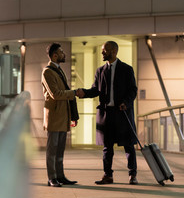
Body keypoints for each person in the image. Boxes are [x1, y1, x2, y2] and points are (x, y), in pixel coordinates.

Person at [76, 41, 138, 185]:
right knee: (107, 147)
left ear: (114, 51)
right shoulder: (100, 70)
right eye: (102, 50)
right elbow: (95, 90)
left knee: (128, 145)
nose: (102, 53)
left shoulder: (127, 69)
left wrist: (126, 103)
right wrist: (83, 93)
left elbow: (133, 90)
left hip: (122, 113)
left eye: (105, 50)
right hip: (106, 114)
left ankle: (132, 175)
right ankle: (107, 175)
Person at [41, 43, 79, 187]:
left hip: (63, 115)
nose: (64, 54)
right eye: (61, 52)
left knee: (60, 149)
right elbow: (56, 94)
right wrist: (74, 93)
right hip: (54, 116)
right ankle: (52, 178)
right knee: (52, 150)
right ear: (55, 55)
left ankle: (60, 176)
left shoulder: (58, 70)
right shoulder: (47, 72)